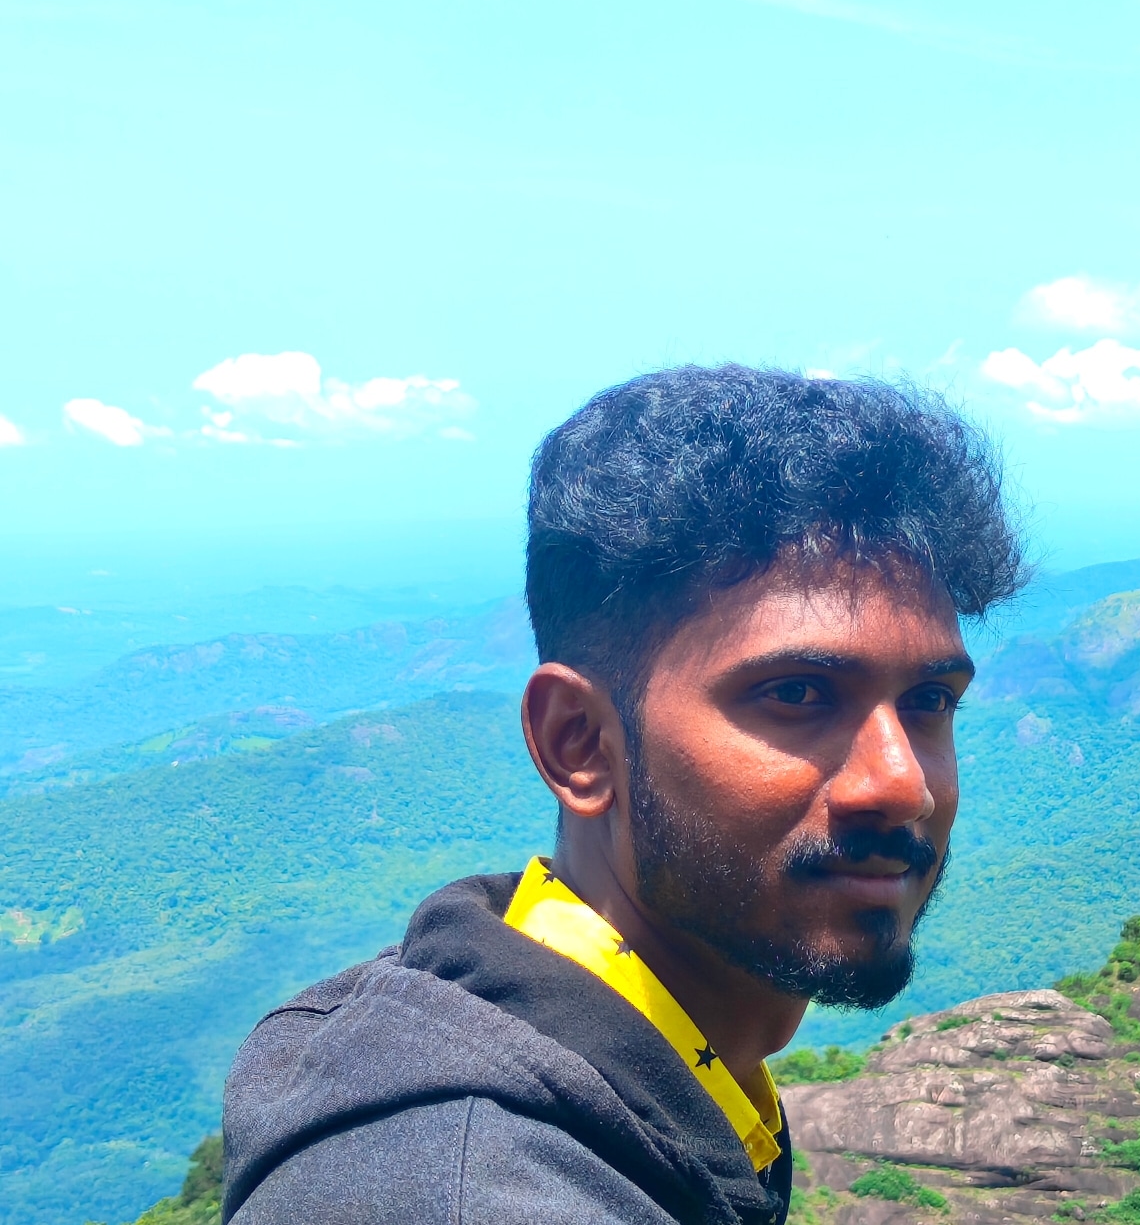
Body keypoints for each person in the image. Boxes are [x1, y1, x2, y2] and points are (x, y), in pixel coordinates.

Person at [221, 365, 1026, 1224]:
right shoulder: (471, 1195)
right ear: (579, 743)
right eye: (797, 694)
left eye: (930, 701)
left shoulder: (653, 1090)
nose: (903, 785)